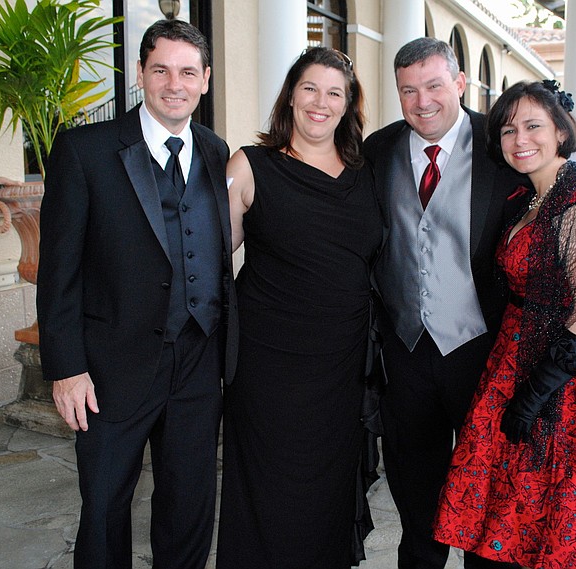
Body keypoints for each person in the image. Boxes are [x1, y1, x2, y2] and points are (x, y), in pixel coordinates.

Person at [363, 38, 576, 569]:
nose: (423, 101)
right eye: (408, 90)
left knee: (492, 506)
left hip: (486, 352)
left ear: (459, 84)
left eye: (435, 85)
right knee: (418, 501)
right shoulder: (378, 149)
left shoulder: (504, 137)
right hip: (405, 352)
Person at [433, 80, 576, 568]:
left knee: (562, 520)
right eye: (508, 129)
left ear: (561, 132)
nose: (520, 138)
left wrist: (536, 392)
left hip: (565, 383)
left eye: (534, 125)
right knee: (508, 517)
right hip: (511, 358)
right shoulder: (531, 197)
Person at [37, 20, 237, 569]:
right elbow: (59, 272)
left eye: (188, 72)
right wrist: (66, 368)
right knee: (103, 508)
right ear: (141, 75)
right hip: (109, 370)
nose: (175, 83)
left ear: (205, 79)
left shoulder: (218, 153)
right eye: (161, 70)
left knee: (190, 506)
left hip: (198, 363)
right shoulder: (85, 150)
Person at [216, 47, 381, 569]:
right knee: (267, 484)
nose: (320, 102)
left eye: (335, 92)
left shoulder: (368, 169)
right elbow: (207, 256)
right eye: (310, 88)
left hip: (342, 365)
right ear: (291, 93)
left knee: (327, 488)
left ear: (349, 103)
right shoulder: (250, 165)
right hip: (268, 364)